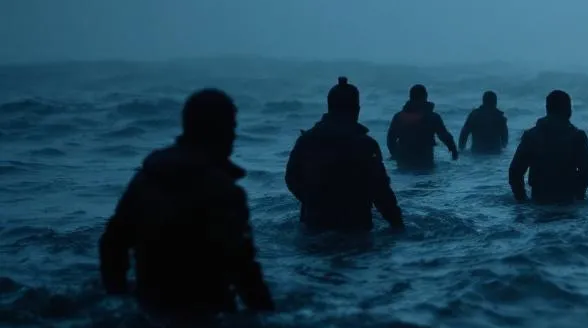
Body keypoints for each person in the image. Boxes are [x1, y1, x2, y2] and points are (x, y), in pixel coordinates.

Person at [99, 89, 274, 314]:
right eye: (230, 127)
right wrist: (268, 317)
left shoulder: (147, 178)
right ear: (218, 131)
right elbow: (243, 269)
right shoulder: (222, 191)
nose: (234, 136)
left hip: (150, 307)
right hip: (207, 316)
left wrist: (118, 296)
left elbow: (112, 243)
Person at [286, 77, 404, 232]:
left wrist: (313, 201)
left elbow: (291, 178)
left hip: (315, 224)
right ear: (357, 110)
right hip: (356, 226)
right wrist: (398, 225)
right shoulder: (366, 145)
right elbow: (381, 191)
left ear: (329, 107)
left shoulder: (306, 140)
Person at [509, 90, 588, 204]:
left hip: (539, 201)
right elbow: (587, 171)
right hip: (568, 202)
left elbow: (515, 172)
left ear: (547, 108)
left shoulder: (532, 136)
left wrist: (522, 200)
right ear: (568, 110)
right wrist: (579, 195)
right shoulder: (577, 136)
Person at [386, 84, 459, 169]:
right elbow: (444, 136)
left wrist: (395, 155)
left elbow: (390, 139)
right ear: (425, 96)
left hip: (404, 161)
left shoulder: (399, 117)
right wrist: (454, 152)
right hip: (425, 161)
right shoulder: (432, 117)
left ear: (410, 97)